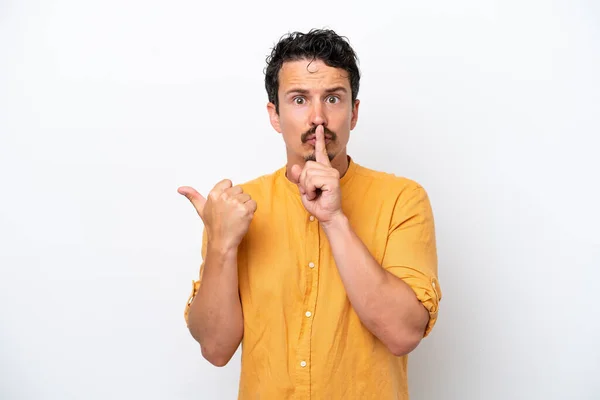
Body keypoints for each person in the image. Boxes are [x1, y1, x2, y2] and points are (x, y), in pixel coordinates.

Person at [178, 28, 442, 400]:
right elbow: (216, 349)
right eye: (299, 99)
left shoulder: (403, 199)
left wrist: (335, 220)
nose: (318, 118)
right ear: (275, 114)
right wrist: (222, 246)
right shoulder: (235, 210)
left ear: (354, 112)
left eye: (333, 98)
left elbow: (403, 334)